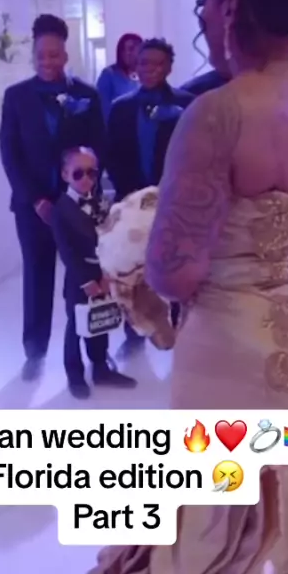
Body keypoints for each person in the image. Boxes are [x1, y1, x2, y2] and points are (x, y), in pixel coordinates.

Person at [90, 0, 288, 574]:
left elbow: (176, 272)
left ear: (229, 7)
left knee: (221, 526)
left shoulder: (219, 113)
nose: (202, 14)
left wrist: (132, 250)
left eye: (205, 1)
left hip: (234, 357)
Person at [0, 14, 105, 382]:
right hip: (32, 209)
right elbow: (10, 154)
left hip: (76, 206)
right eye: (41, 55)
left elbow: (99, 149)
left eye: (54, 55)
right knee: (37, 275)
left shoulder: (87, 96)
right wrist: (35, 200)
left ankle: (90, 354)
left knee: (83, 275)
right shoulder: (16, 97)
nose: (48, 62)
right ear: (33, 55)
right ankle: (35, 351)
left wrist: (79, 197)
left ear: (66, 54)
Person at [107, 39, 191, 351]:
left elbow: (191, 156)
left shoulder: (187, 104)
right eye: (144, 63)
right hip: (131, 203)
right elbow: (112, 155)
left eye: (157, 63)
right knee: (132, 269)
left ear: (169, 67)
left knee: (175, 266)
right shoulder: (121, 107)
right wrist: (132, 199)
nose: (150, 69)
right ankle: (135, 333)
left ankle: (180, 332)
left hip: (173, 202)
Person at [50, 146, 136, 398]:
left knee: (101, 319)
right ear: (65, 174)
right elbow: (66, 251)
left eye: (92, 173)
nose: (86, 179)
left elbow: (112, 239)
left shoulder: (102, 202)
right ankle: (74, 373)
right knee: (76, 324)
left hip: (103, 272)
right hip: (80, 277)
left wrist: (109, 273)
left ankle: (100, 367)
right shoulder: (61, 208)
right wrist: (86, 281)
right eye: (78, 173)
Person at [96, 33, 142, 124]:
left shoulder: (143, 76)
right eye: (124, 50)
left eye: (132, 49)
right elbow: (102, 110)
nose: (128, 53)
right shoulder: (109, 75)